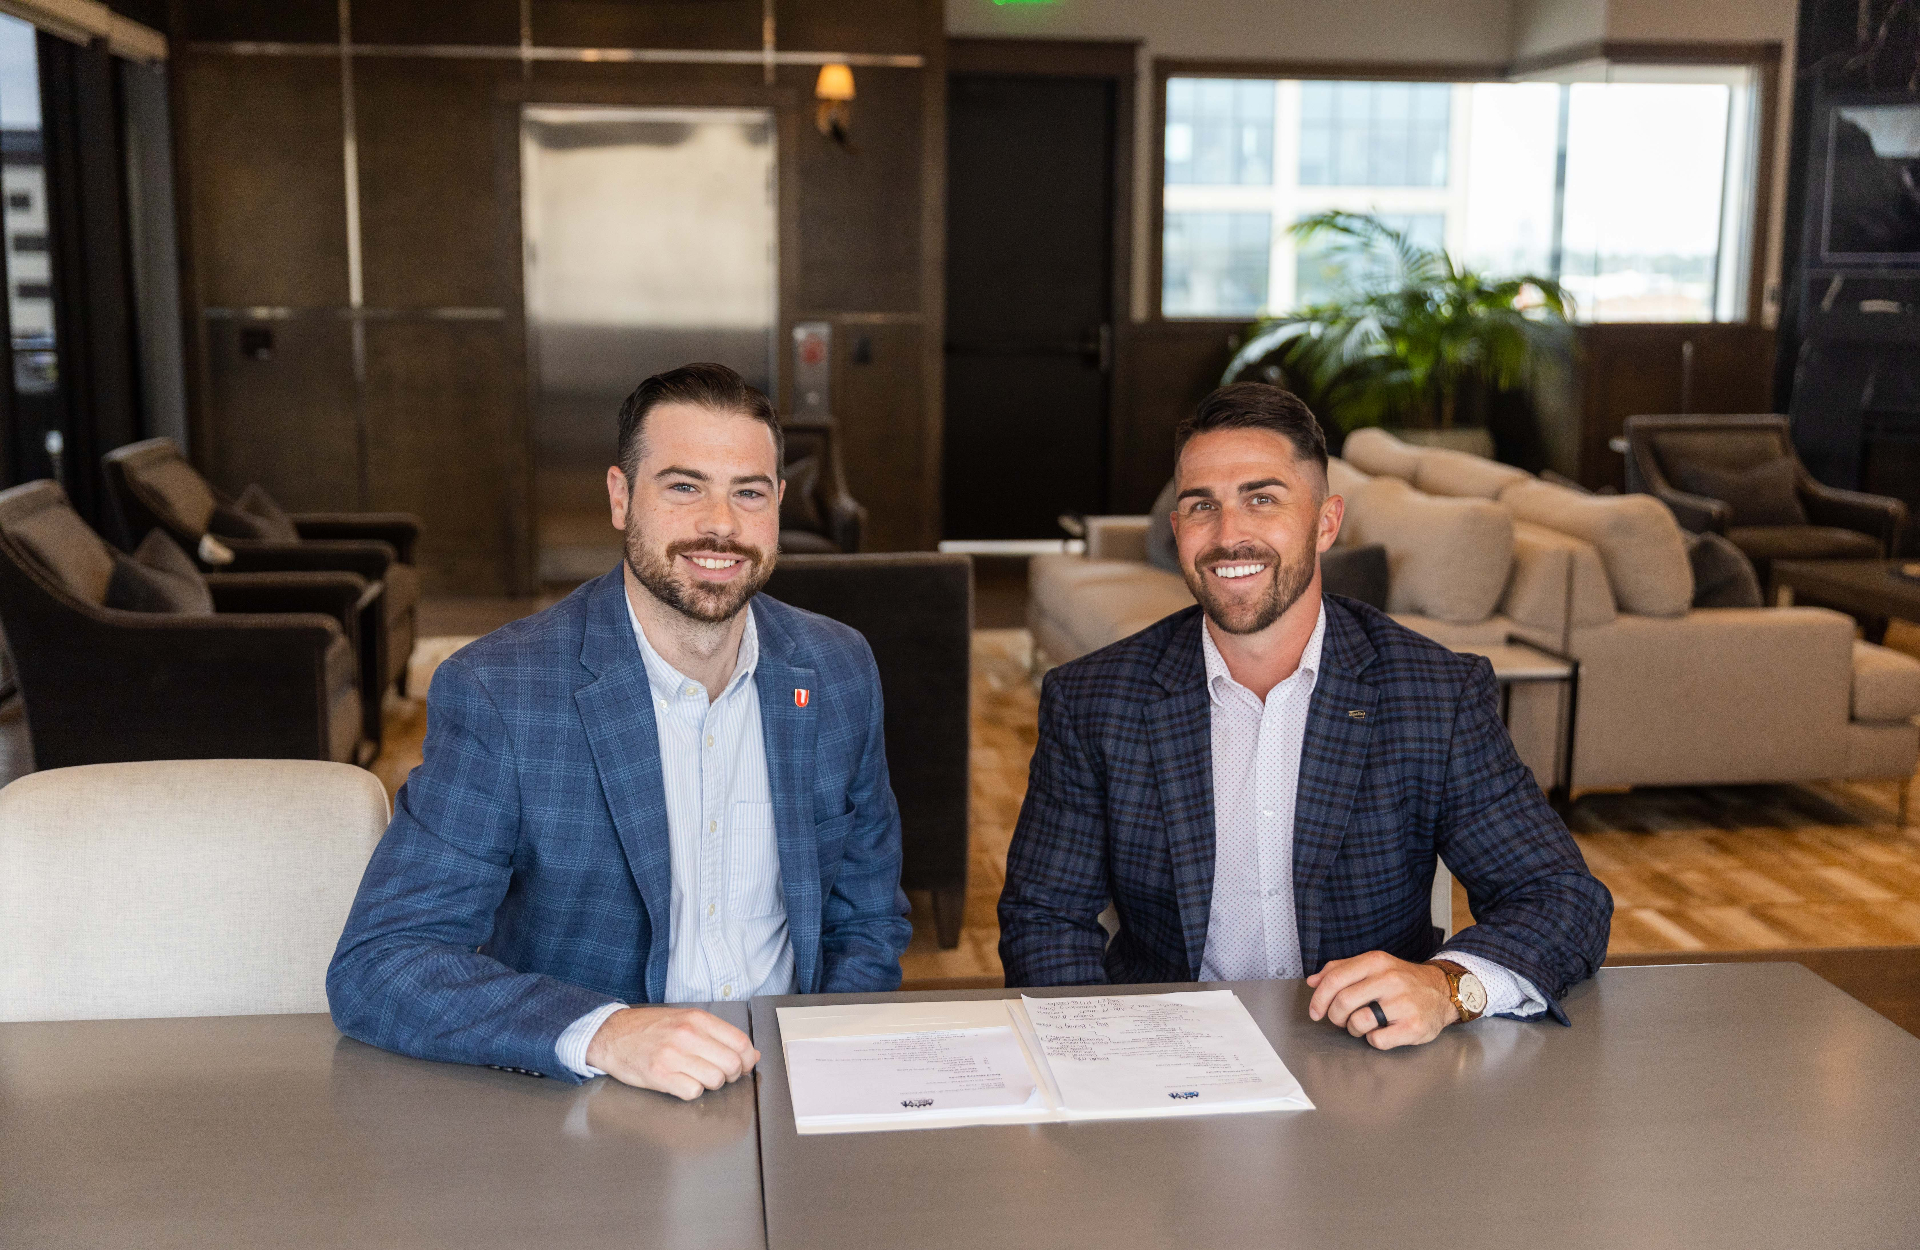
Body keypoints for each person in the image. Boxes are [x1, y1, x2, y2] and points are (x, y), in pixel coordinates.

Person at [329, 363, 911, 1095]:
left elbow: (867, 918)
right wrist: (605, 1032)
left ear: (778, 505)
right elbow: (382, 961)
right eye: (684, 487)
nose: (721, 525)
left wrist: (831, 1058)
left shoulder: (838, 668)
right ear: (619, 496)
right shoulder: (503, 690)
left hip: (796, 1085)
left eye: (749, 492)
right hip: (601, 1094)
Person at [998, 383, 1611, 1047]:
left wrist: (1445, 986)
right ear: (1177, 530)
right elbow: (1044, 918)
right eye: (1202, 506)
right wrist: (1096, 1058)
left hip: (1368, 1058)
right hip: (1166, 1051)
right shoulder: (1094, 699)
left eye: (1262, 499)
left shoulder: (1434, 693)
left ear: (1325, 522)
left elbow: (1560, 896)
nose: (1228, 535)